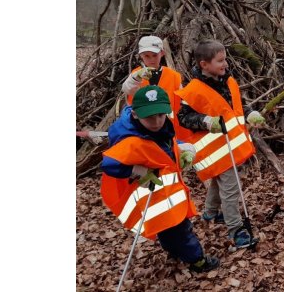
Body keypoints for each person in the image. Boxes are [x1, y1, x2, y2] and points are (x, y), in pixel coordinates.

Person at [100, 85, 220, 273]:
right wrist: (138, 170)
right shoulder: (131, 140)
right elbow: (109, 164)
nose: (156, 121)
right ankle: (198, 260)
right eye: (150, 117)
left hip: (167, 196)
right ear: (135, 115)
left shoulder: (161, 127)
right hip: (155, 196)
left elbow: (165, 145)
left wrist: (183, 149)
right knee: (181, 231)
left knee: (168, 230)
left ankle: (174, 249)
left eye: (161, 115)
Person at [175, 40, 266, 251]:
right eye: (220, 61)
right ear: (204, 64)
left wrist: (250, 112)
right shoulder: (193, 90)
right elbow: (183, 117)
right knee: (231, 190)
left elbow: (236, 104)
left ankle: (210, 212)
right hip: (215, 149)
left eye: (225, 59)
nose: (225, 64)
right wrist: (206, 121)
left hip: (231, 146)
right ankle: (236, 230)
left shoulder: (228, 80)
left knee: (218, 181)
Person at [121, 35, 189, 141]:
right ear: (141, 56)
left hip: (169, 129)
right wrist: (137, 77)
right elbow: (127, 88)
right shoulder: (136, 75)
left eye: (154, 55)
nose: (151, 59)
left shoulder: (174, 76)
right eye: (147, 56)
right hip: (143, 129)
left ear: (162, 53)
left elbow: (181, 102)